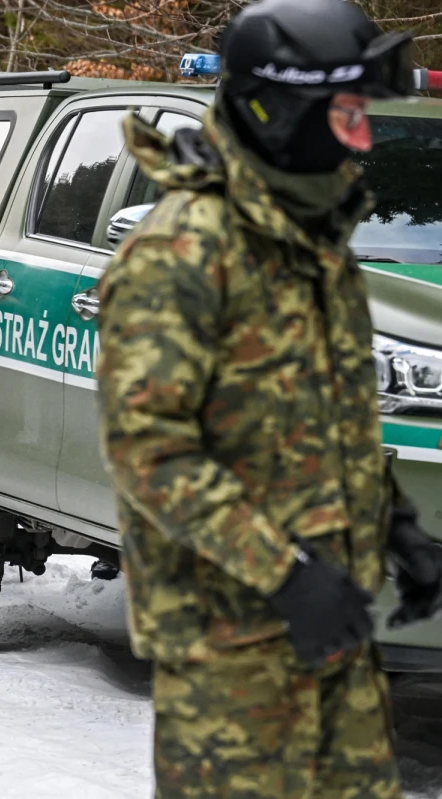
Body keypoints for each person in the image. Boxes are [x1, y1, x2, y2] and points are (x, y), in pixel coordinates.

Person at [96, 1, 442, 795]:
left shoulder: (312, 239)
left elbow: (326, 416)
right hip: (232, 646)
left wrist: (396, 524)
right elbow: (151, 452)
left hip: (331, 628)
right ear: (276, 112)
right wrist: (285, 574)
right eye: (348, 114)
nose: (363, 138)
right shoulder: (184, 251)